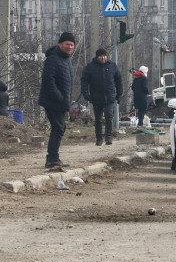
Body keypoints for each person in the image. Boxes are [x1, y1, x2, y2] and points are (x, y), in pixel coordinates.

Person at [38, 31, 76, 169]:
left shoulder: (66, 60)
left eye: (72, 45)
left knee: (60, 128)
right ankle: (52, 158)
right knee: (58, 128)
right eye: (67, 44)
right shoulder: (53, 59)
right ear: (60, 44)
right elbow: (48, 81)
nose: (70, 47)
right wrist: (60, 97)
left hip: (61, 101)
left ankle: (54, 157)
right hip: (53, 101)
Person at [80, 48, 123, 146]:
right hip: (96, 96)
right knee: (98, 119)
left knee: (109, 116)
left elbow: (119, 80)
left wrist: (119, 93)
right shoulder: (90, 67)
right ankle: (99, 138)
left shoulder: (112, 66)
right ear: (97, 56)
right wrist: (85, 93)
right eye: (101, 56)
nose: (103, 57)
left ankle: (108, 137)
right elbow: (84, 80)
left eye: (104, 55)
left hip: (110, 96)